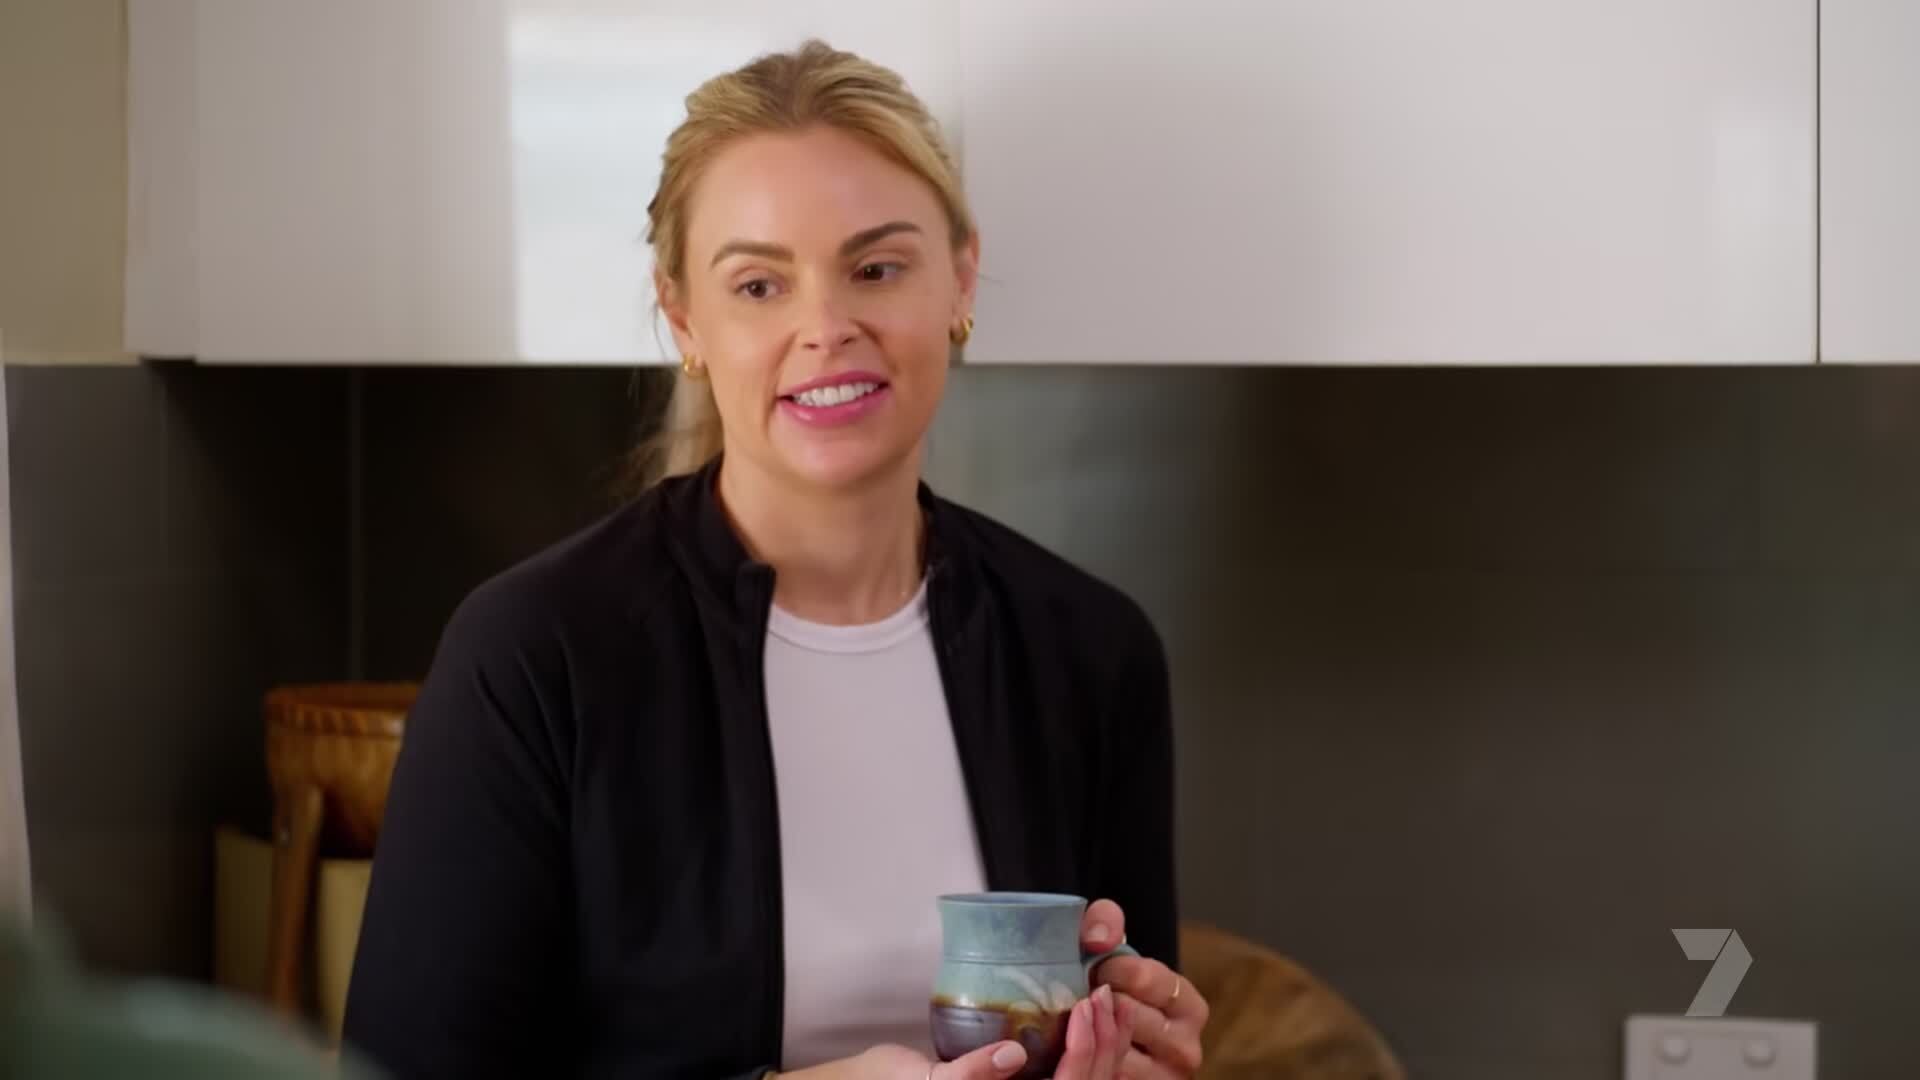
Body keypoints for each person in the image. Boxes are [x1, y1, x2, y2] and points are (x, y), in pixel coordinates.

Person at [341, 39, 1207, 1080]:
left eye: (876, 269)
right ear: (684, 318)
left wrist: (1137, 1056)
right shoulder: (533, 658)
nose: (825, 328)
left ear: (960, 279)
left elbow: (1127, 1041)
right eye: (759, 285)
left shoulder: (1092, 653)